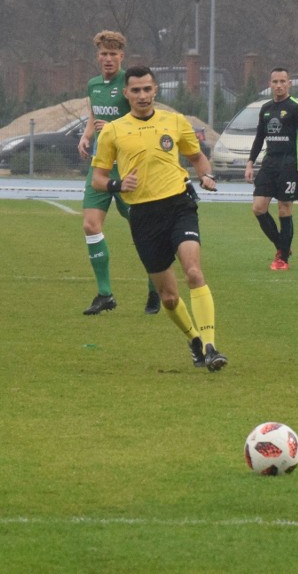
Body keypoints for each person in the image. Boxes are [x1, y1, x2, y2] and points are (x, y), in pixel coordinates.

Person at [91, 66, 227, 372]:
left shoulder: (175, 121)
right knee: (168, 297)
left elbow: (196, 157)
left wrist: (206, 175)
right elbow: (98, 178)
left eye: (147, 89)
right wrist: (117, 185)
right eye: (135, 90)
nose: (142, 96)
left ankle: (211, 346)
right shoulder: (113, 130)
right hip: (143, 216)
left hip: (179, 206)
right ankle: (194, 341)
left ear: (156, 91)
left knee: (193, 271)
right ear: (126, 93)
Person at [77, 30, 160, 315]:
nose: (108, 59)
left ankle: (154, 287)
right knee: (90, 224)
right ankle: (105, 293)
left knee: (144, 230)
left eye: (113, 54)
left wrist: (112, 128)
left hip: (127, 167)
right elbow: (94, 115)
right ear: (98, 56)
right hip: (100, 166)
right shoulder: (94, 85)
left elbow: (142, 116)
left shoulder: (130, 84)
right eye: (103, 54)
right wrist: (87, 135)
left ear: (122, 56)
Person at [245, 67, 298, 271]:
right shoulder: (265, 108)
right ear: (270, 84)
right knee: (258, 207)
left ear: (289, 83)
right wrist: (250, 162)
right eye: (275, 82)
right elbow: (259, 137)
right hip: (270, 162)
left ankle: (282, 259)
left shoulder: (296, 108)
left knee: (284, 208)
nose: (279, 85)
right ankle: (283, 246)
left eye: (283, 81)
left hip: (290, 163)